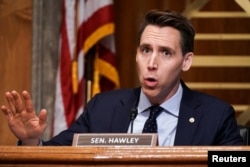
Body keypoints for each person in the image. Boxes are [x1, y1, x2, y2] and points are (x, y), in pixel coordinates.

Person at [1, 10, 244, 146]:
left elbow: (235, 159)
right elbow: (57, 156)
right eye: (146, 50)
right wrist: (32, 140)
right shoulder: (103, 108)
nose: (152, 63)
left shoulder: (215, 115)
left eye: (166, 53)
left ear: (186, 61)